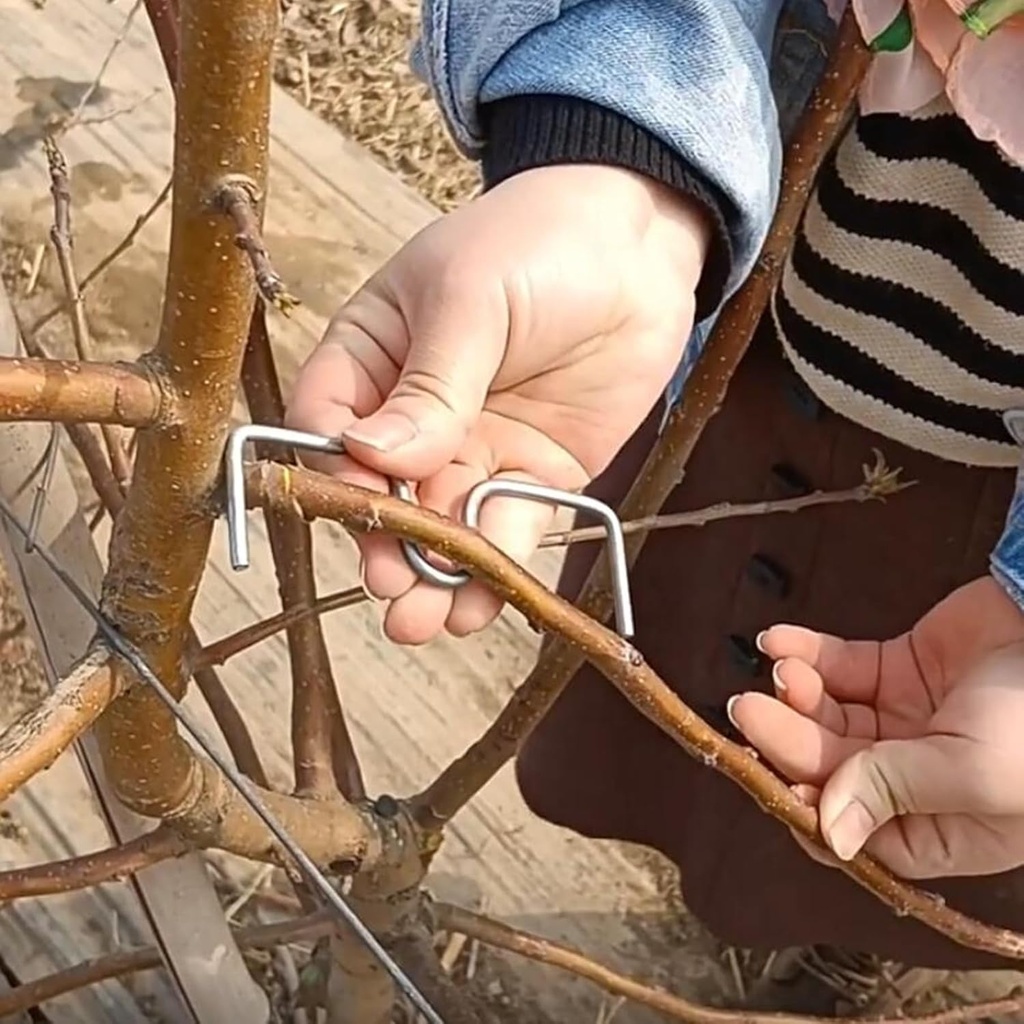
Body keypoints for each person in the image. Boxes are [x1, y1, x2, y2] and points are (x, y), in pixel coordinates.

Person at [284, 0, 1024, 1005]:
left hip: (976, 521)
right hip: (746, 345)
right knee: (687, 702)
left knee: (923, 778)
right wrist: (618, 167)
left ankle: (852, 939)